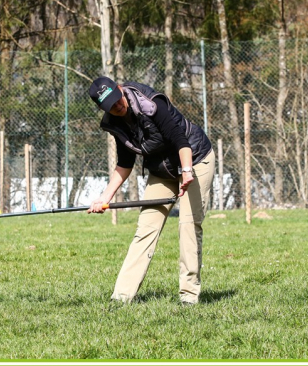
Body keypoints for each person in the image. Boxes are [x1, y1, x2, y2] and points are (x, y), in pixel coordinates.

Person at [85, 76, 215, 305]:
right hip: (162, 170)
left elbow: (179, 139)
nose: (118, 106)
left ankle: (188, 296)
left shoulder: (149, 103)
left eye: (117, 99)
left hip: (194, 159)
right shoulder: (114, 123)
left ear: (120, 89)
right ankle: (122, 296)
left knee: (188, 226)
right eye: (110, 106)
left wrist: (186, 171)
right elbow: (125, 164)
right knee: (146, 227)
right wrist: (104, 198)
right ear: (102, 108)